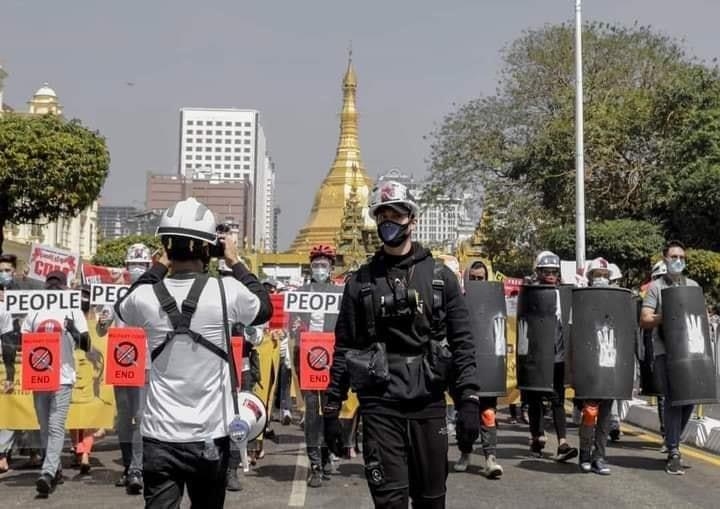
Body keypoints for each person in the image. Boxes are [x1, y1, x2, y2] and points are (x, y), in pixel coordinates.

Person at [324, 180, 480, 508]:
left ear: (413, 219)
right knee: (390, 503)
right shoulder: (361, 282)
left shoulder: (440, 278)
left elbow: (463, 342)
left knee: (431, 501)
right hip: (380, 403)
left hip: (428, 403)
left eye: (396, 215)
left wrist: (469, 400)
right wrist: (331, 408)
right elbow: (344, 347)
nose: (388, 223)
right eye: (382, 217)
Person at [115, 197, 272, 508]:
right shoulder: (227, 291)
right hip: (210, 438)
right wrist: (235, 260)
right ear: (206, 249)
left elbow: (124, 304)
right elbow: (263, 307)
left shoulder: (145, 297)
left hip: (159, 437)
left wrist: (159, 265)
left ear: (166, 247)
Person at [22, 271, 91, 496]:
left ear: (64, 287)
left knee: (55, 425)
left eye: (57, 284)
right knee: (44, 426)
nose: (53, 287)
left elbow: (87, 345)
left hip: (63, 376)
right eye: (50, 283)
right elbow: (23, 338)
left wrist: (71, 329)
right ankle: (56, 467)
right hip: (39, 376)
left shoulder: (73, 309)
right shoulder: (35, 309)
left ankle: (48, 472)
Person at [96, 243, 153, 494]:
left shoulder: (156, 295)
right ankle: (129, 463)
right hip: (121, 364)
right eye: (133, 265)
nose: (137, 269)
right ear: (126, 267)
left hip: (146, 365)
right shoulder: (114, 295)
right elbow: (101, 329)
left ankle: (137, 469)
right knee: (124, 419)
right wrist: (102, 321)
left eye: (141, 265)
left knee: (141, 417)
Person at [640, 240, 700, 475]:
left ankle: (672, 440)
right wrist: (667, 315)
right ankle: (674, 450)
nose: (678, 261)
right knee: (673, 398)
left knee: (689, 400)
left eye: (682, 258)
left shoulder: (693, 285)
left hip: (690, 351)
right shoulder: (656, 287)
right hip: (665, 351)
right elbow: (645, 319)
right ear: (665, 260)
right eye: (673, 257)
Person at [288, 244, 344, 488]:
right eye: (316, 264)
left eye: (324, 265)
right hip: (308, 359)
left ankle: (327, 452)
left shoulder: (339, 295)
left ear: (331, 268)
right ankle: (315, 465)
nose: (320, 268)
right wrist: (297, 328)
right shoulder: (301, 293)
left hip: (332, 359)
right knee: (312, 412)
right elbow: (291, 326)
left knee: (331, 409)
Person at [525, 251, 578, 462]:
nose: (551, 275)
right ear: (538, 272)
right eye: (546, 271)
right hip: (536, 354)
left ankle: (562, 442)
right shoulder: (530, 293)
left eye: (554, 272)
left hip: (557, 354)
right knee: (535, 398)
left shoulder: (564, 295)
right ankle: (537, 436)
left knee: (557, 400)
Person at [454, 260, 504, 478]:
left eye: (480, 278)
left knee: (488, 413)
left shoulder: (494, 301)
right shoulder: (458, 302)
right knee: (467, 417)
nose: (476, 282)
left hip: (488, 367)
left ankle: (490, 458)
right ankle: (465, 452)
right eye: (472, 278)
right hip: (464, 368)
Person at [0, 253, 43, 472]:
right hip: (4, 356)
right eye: (1, 270)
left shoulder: (23, 291)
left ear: (14, 271)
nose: (4, 274)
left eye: (7, 270)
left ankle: (35, 451)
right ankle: (3, 453)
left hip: (25, 351)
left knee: (29, 403)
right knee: (7, 403)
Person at [577, 257, 614, 475]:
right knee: (590, 412)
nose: (601, 279)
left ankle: (599, 456)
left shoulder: (615, 300)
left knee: (606, 415)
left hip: (610, 360)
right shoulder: (582, 300)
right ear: (590, 278)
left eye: (605, 276)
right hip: (591, 363)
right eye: (598, 275)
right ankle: (584, 453)